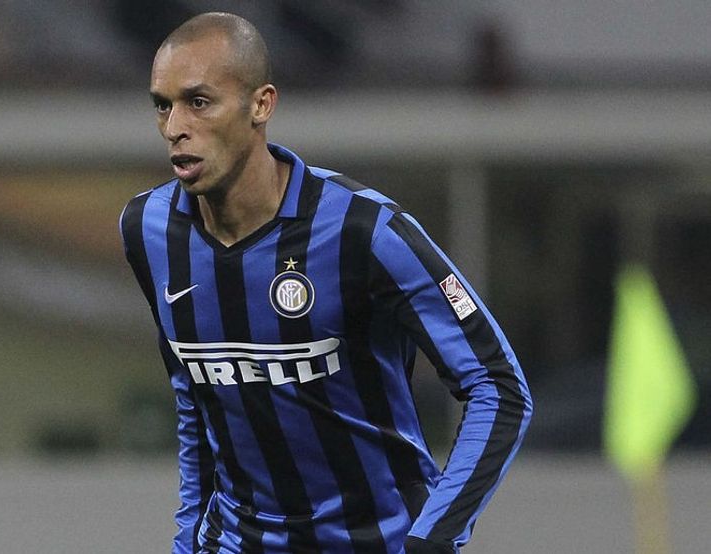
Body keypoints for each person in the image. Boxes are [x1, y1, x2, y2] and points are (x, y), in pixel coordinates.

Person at [119, 12, 533, 554]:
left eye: (198, 102)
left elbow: (499, 388)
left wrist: (432, 538)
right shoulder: (148, 231)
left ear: (261, 105)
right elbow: (196, 402)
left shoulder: (366, 232)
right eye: (162, 105)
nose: (175, 126)